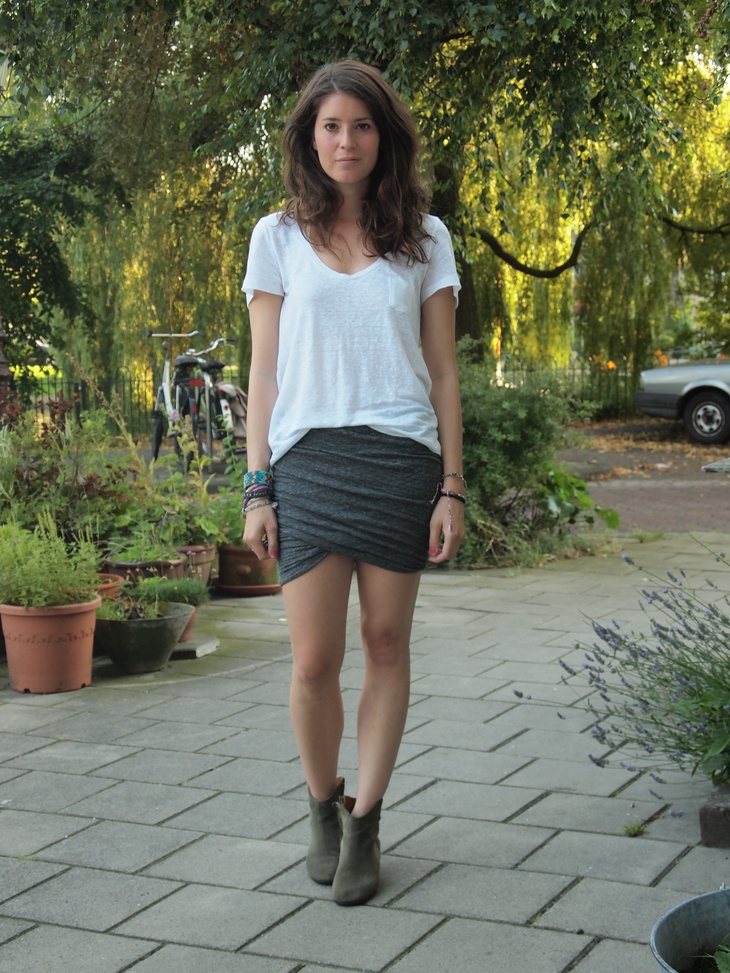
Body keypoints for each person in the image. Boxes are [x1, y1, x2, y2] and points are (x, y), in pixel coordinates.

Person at [241, 59, 464, 906]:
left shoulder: (425, 237)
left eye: (362, 125)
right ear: (309, 137)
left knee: (385, 643)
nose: (346, 141)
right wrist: (257, 487)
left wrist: (452, 486)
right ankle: (321, 806)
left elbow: (443, 373)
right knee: (313, 662)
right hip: (307, 465)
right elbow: (264, 374)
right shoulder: (276, 236)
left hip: (401, 462)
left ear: (383, 137)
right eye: (331, 126)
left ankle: (366, 821)